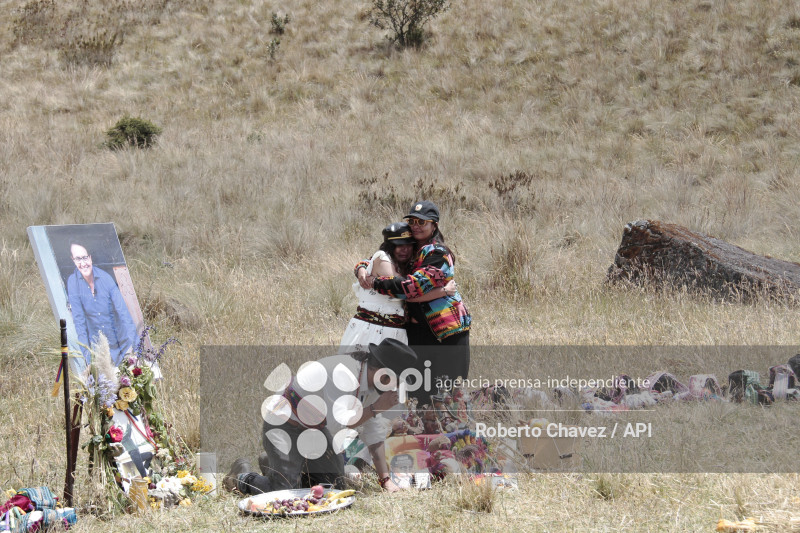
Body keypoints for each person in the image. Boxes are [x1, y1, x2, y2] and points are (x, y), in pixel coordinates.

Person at [224, 338, 418, 494]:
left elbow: (373, 434)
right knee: (285, 491)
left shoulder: (373, 386)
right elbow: (337, 425)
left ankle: (275, 462)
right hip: (284, 423)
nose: (395, 388)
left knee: (333, 487)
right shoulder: (344, 372)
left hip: (314, 430)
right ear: (383, 374)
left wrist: (385, 480)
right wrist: (375, 408)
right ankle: (241, 477)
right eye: (396, 381)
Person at [356, 201, 471, 404]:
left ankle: (453, 435)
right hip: (417, 332)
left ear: (434, 225)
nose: (416, 225)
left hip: (445, 334)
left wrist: (374, 282)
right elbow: (378, 258)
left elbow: (411, 287)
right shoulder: (411, 250)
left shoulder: (438, 254)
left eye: (422, 222)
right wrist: (362, 268)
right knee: (419, 391)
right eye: (412, 221)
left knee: (447, 393)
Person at [339, 221, 455, 351]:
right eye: (398, 245)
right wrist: (443, 291)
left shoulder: (407, 265)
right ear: (389, 246)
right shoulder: (383, 258)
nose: (404, 249)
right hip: (370, 331)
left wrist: (361, 266)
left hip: (394, 333)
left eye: (408, 245)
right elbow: (406, 291)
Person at [66, 242, 137, 366]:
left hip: (121, 345)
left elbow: (124, 314)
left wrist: (137, 350)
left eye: (85, 257)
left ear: (90, 257)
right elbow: (79, 323)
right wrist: (87, 361)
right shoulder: (73, 282)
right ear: (73, 260)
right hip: (98, 350)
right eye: (78, 259)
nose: (83, 263)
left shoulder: (106, 279)